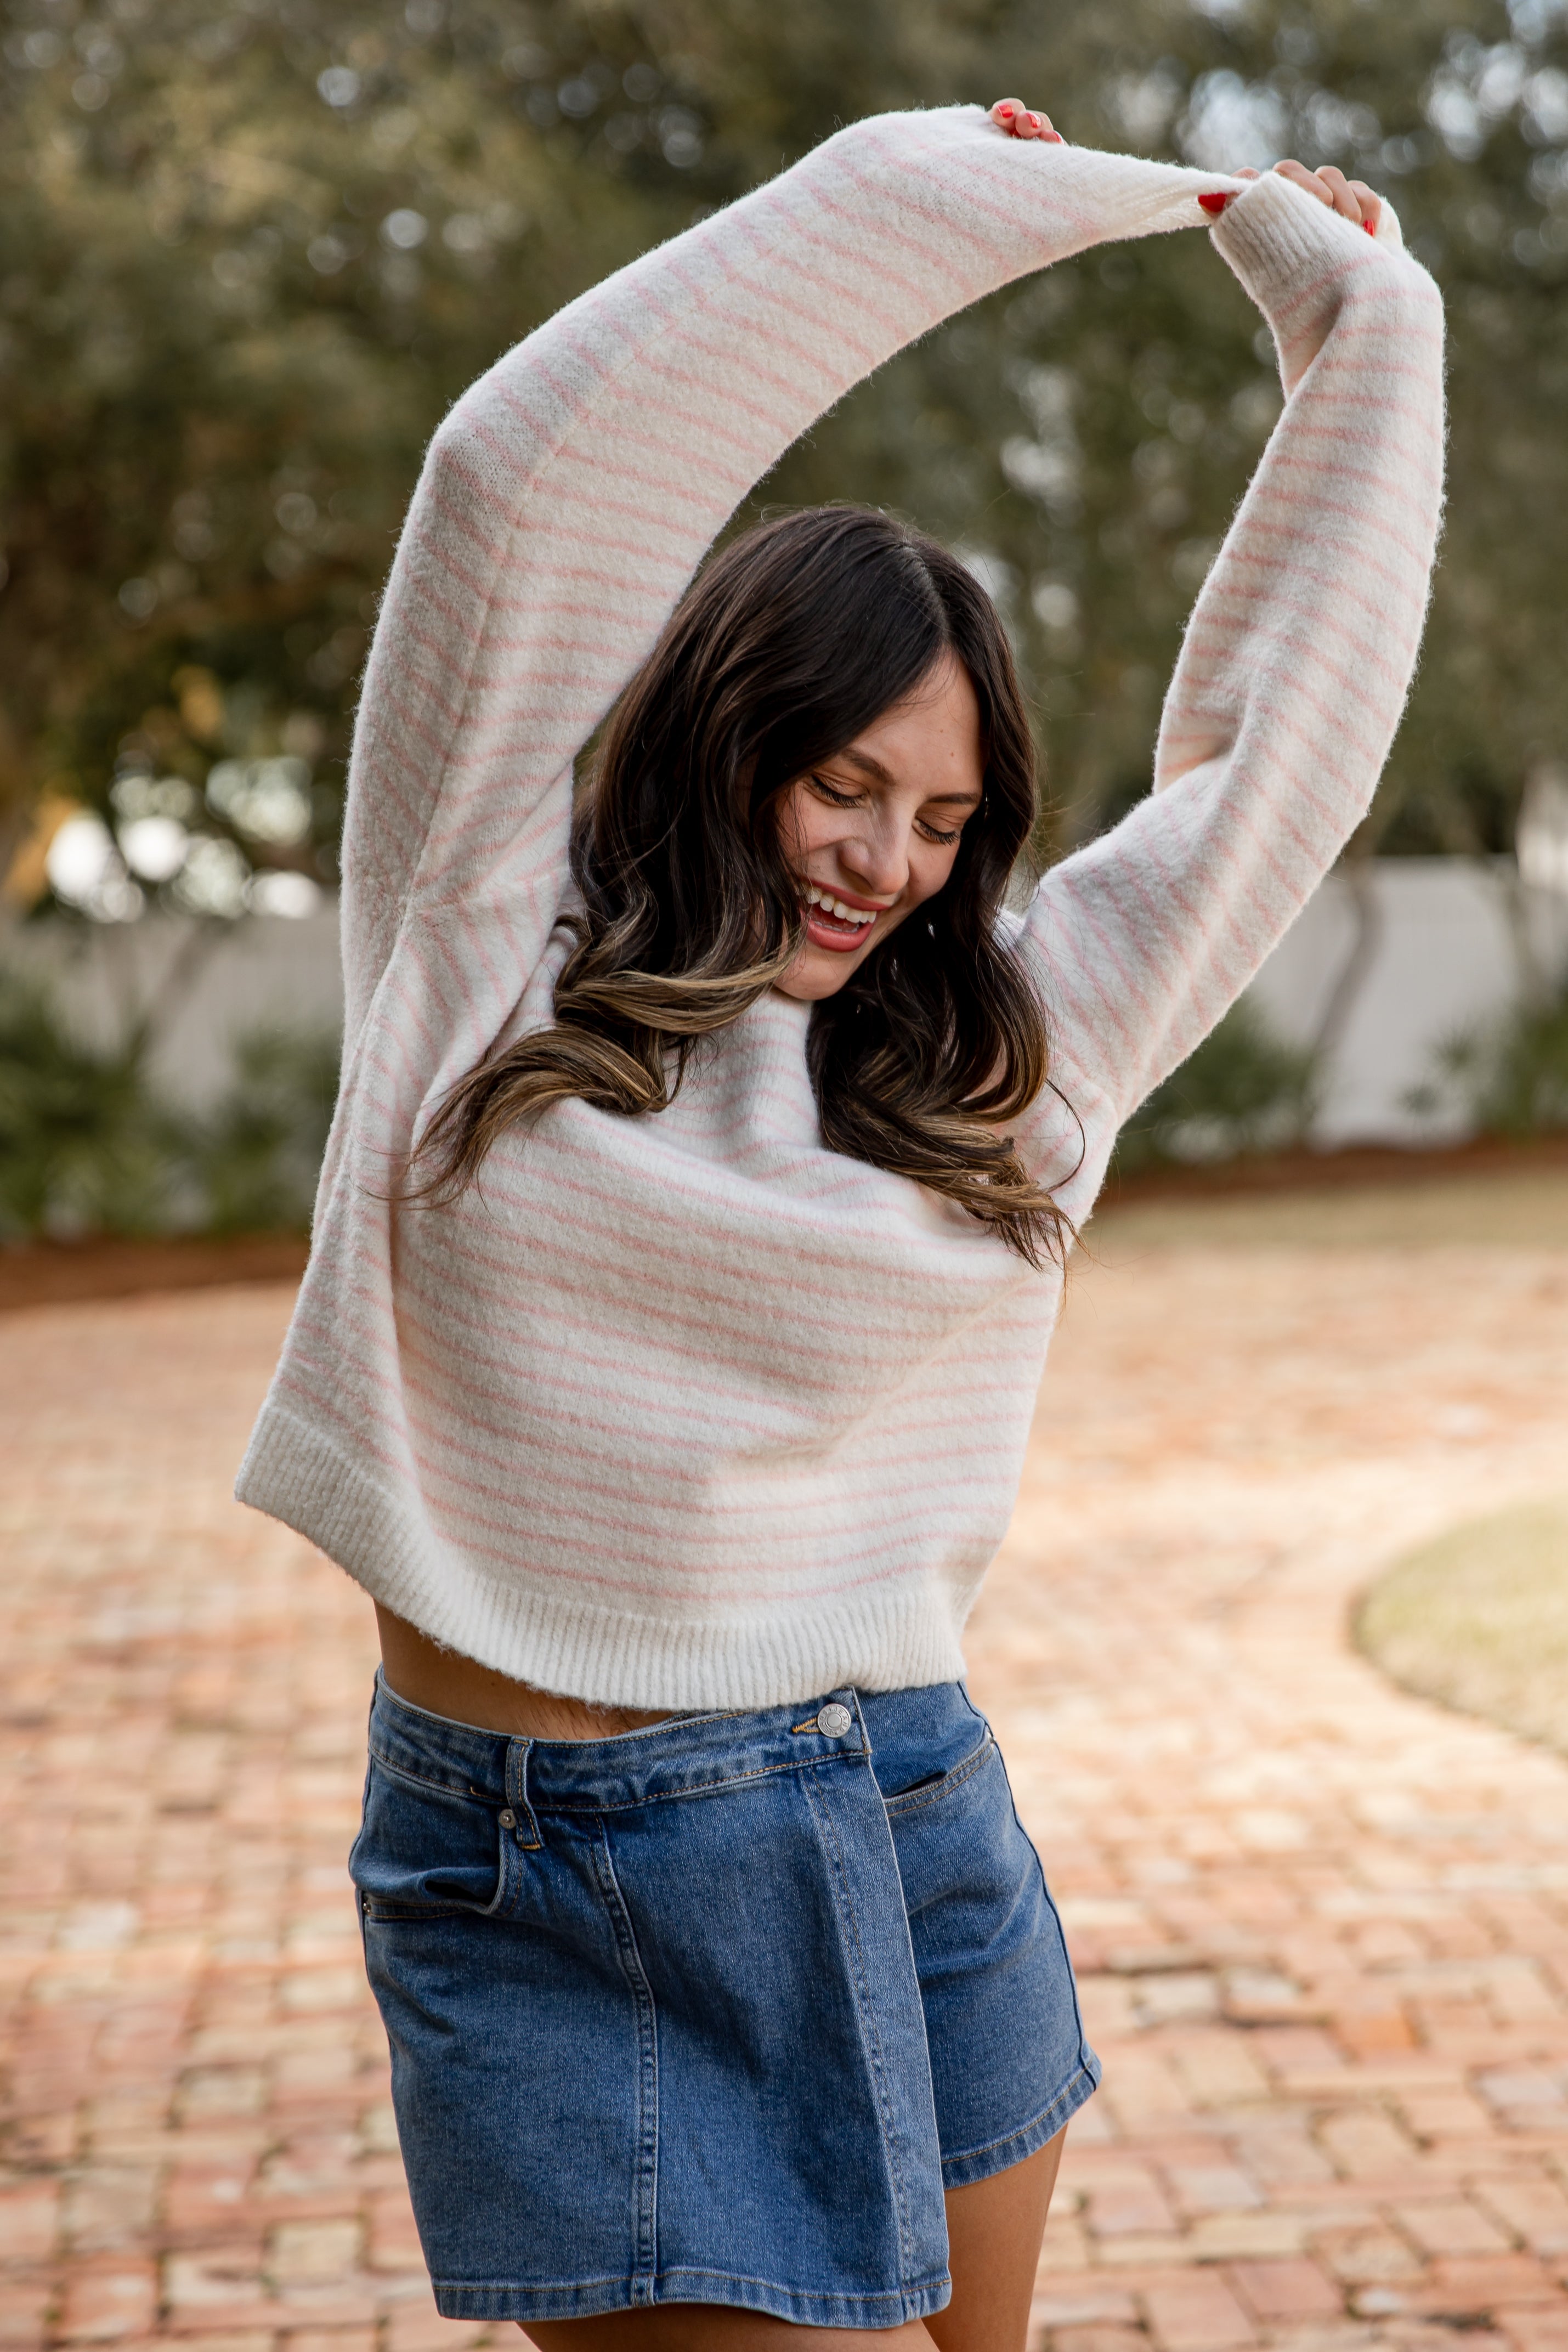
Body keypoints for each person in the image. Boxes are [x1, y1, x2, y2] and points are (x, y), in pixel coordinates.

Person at [237, 92, 1445, 2352]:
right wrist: (897, 203)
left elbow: (1274, 766)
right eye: (843, 782)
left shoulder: (1002, 1048)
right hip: (577, 1870)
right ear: (725, 729)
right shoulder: (477, 944)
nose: (885, 859)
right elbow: (514, 487)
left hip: (906, 1796)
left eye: (944, 816)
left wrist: (1359, 329)